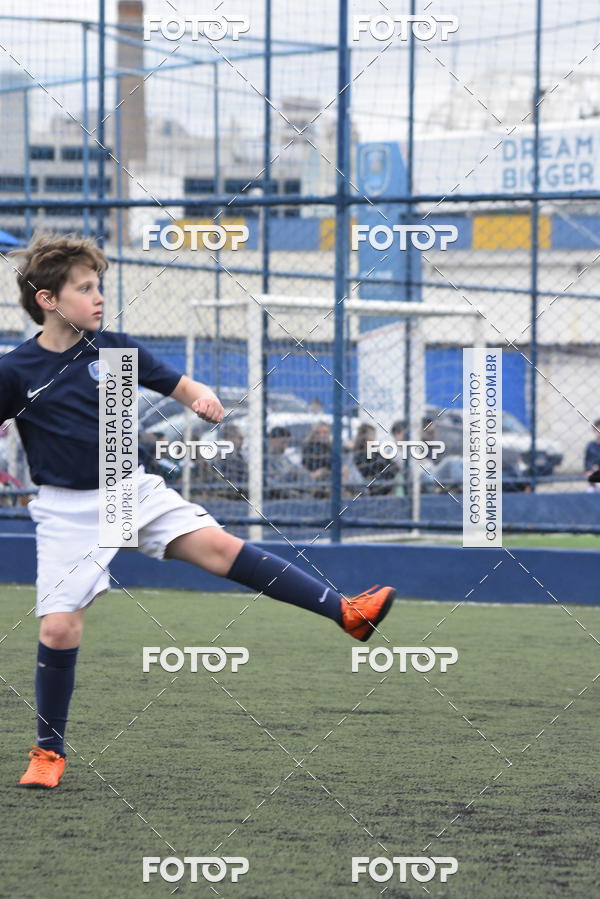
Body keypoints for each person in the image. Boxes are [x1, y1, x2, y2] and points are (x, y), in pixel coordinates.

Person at [1, 233, 396, 789]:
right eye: (84, 288)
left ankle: (346, 611)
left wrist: (202, 399)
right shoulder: (15, 370)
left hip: (130, 488)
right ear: (48, 300)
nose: (98, 296)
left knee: (220, 548)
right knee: (61, 628)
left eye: (99, 286)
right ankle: (48, 753)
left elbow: (183, 386)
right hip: (68, 511)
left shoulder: (115, 351)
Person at [352, 422, 398, 496]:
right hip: (372, 485)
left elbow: (393, 466)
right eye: (372, 434)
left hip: (382, 482)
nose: (374, 437)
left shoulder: (374, 451)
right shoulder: (360, 453)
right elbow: (368, 472)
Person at [584, 418, 600, 492]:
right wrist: (590, 468)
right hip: (593, 475)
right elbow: (587, 461)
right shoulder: (591, 446)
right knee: (591, 491)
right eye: (598, 429)